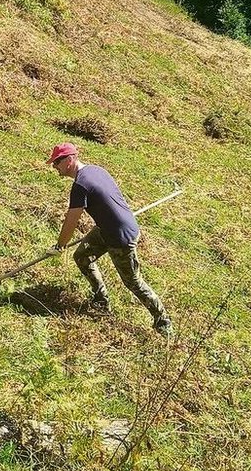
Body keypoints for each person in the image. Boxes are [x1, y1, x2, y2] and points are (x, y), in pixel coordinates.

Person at [47, 143, 172, 336]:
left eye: (57, 162)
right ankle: (101, 300)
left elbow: (71, 220)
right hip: (106, 228)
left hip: (120, 236)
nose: (54, 166)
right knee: (82, 257)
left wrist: (60, 245)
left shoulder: (80, 185)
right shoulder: (96, 170)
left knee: (133, 282)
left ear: (69, 160)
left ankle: (163, 321)